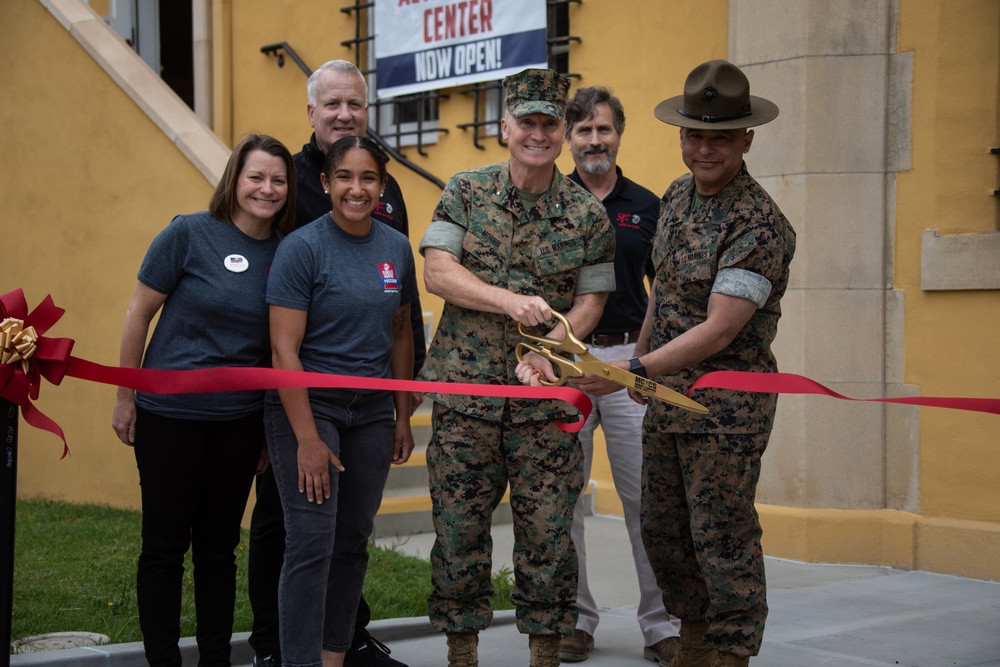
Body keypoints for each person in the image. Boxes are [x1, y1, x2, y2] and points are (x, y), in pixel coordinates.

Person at [575, 60, 796, 667]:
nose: (704, 149)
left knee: (721, 537)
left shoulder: (759, 223)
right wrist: (643, 361)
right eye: (694, 134)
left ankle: (729, 652)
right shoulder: (674, 197)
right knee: (666, 536)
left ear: (746, 139)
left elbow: (721, 325)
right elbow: (663, 296)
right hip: (666, 402)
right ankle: (693, 643)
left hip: (723, 410)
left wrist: (636, 372)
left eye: (720, 136)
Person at [417, 68, 616, 667]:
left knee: (549, 539)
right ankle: (461, 653)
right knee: (457, 535)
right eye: (525, 122)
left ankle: (546, 654)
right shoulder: (464, 191)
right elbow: (437, 271)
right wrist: (509, 302)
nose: (537, 133)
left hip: (543, 404)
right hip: (465, 401)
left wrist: (550, 344)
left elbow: (591, 302)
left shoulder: (587, 216)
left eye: (548, 123)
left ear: (562, 132)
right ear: (505, 127)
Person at [248, 59, 422, 667]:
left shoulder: (396, 247)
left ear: (382, 187)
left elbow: (400, 329)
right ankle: (292, 658)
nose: (357, 188)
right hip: (310, 407)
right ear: (326, 183)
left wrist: (402, 413)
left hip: (373, 410)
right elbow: (282, 349)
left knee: (351, 542)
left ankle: (334, 654)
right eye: (344, 177)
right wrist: (305, 439)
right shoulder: (300, 246)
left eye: (368, 179)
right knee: (311, 543)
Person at [112, 134, 296, 667]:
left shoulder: (287, 254)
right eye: (256, 176)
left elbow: (279, 349)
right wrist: (127, 396)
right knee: (165, 547)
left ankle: (216, 659)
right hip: (169, 419)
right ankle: (163, 661)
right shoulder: (189, 233)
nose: (267, 188)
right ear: (235, 179)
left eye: (278, 180)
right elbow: (137, 315)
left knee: (219, 551)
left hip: (238, 425)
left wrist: (265, 430)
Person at [558, 86, 682, 665]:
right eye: (583, 131)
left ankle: (661, 625)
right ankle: (575, 621)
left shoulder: (648, 205)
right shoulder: (552, 202)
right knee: (563, 500)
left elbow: (667, 289)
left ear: (619, 134)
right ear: (568, 138)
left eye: (603, 130)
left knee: (647, 501)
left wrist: (647, 361)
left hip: (633, 361)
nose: (593, 141)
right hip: (567, 367)